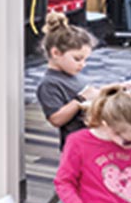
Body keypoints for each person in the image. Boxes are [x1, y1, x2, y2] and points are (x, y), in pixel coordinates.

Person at [34, 13, 101, 144]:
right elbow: (56, 119)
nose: (83, 64)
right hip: (76, 145)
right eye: (77, 59)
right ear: (56, 53)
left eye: (85, 59)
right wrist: (80, 99)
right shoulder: (49, 84)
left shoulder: (73, 75)